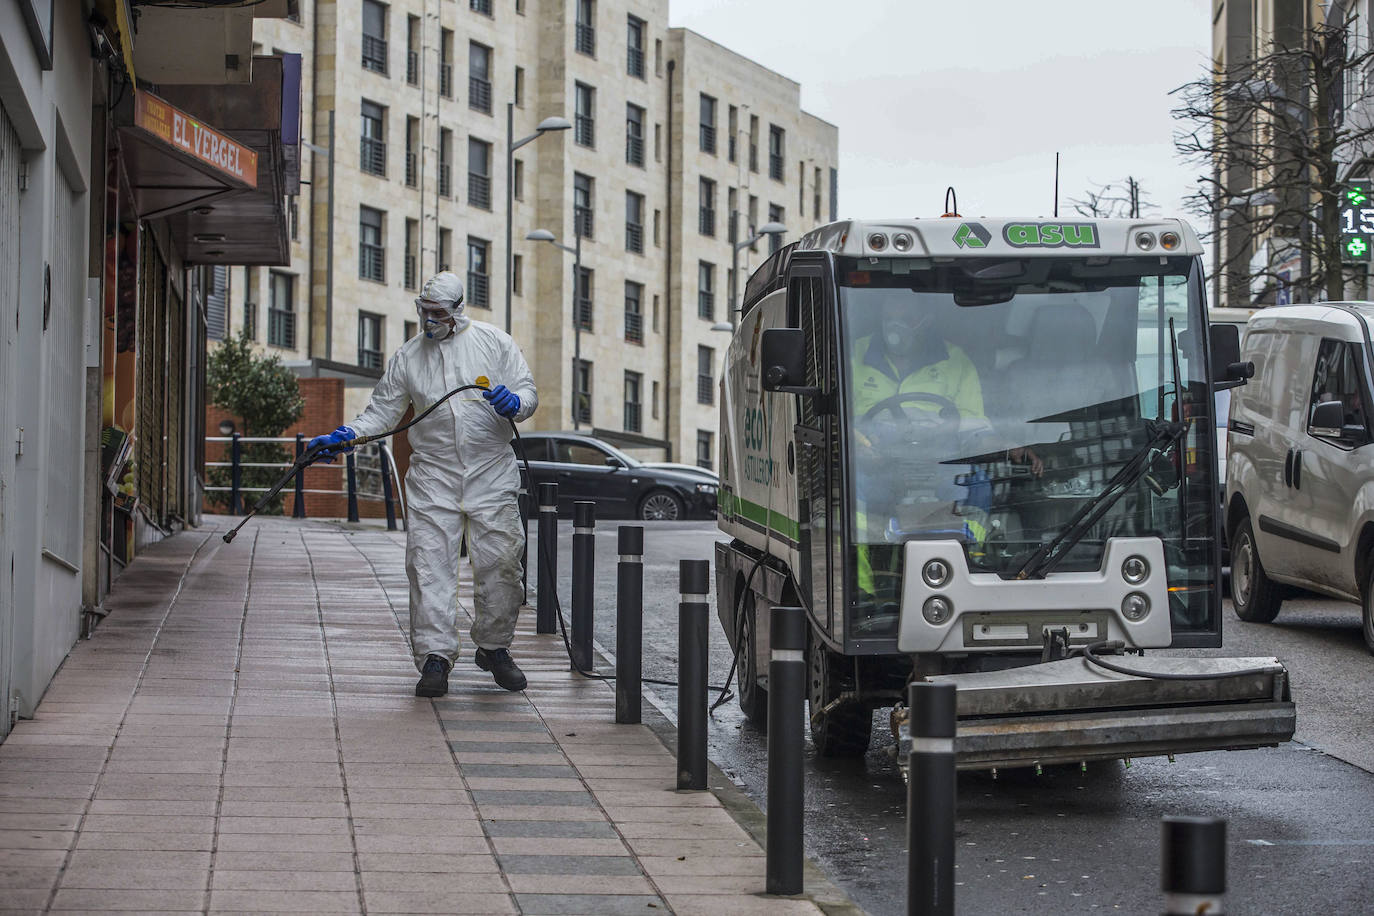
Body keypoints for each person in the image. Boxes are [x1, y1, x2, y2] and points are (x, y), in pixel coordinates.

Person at [309, 272, 537, 698]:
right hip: (434, 474)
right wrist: (346, 436)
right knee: (429, 566)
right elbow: (381, 412)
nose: (429, 321)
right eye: (424, 312)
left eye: (437, 314)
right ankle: (435, 657)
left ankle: (493, 647)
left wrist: (517, 403)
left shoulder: (495, 343)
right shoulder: (409, 358)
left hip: (491, 470)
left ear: (457, 311)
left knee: (502, 564)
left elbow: (527, 392)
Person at [849, 299, 991, 603]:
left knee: (978, 485)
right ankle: (864, 590)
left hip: (941, 466)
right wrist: (859, 445)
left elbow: (975, 426)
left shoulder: (956, 361)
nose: (895, 326)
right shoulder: (852, 354)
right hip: (876, 465)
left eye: (905, 317)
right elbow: (837, 417)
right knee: (850, 492)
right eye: (889, 316)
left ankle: (970, 562)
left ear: (925, 320)